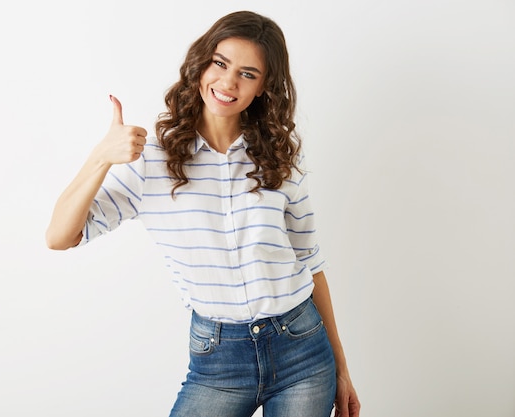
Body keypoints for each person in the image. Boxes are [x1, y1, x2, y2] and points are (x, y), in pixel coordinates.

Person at [46, 10, 360, 417]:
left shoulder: (278, 158)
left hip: (303, 350)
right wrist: (101, 158)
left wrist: (342, 368)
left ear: (264, 87)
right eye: (221, 63)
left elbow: (310, 263)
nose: (229, 82)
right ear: (201, 64)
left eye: (248, 74)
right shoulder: (153, 160)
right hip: (218, 362)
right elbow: (59, 236)